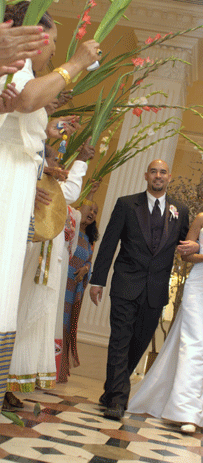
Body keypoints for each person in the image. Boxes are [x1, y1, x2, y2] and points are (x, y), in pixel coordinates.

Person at [0, 2, 99, 408]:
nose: (55, 51)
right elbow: (23, 102)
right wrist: (76, 63)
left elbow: (22, 114)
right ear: (32, 37)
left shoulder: (23, 73)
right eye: (54, 43)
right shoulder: (17, 70)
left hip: (18, 180)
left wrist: (48, 132)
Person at [128, 179, 203, 433]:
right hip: (199, 284)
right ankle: (184, 410)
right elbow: (186, 254)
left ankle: (201, 413)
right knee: (194, 341)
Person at [89, 159, 198, 420]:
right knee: (119, 340)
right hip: (126, 283)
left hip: (156, 289)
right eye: (153, 172)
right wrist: (98, 280)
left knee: (137, 344)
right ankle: (117, 400)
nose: (158, 176)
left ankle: (112, 389)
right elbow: (109, 243)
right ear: (146, 175)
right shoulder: (126, 204)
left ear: (169, 177)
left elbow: (186, 244)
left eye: (162, 172)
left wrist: (198, 249)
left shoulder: (180, 210)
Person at [58, 185, 99, 383]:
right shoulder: (69, 229)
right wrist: (90, 193)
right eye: (90, 209)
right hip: (60, 283)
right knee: (55, 323)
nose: (92, 213)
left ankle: (58, 369)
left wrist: (86, 269)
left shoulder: (89, 240)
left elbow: (89, 261)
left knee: (65, 325)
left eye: (96, 212)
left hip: (73, 289)